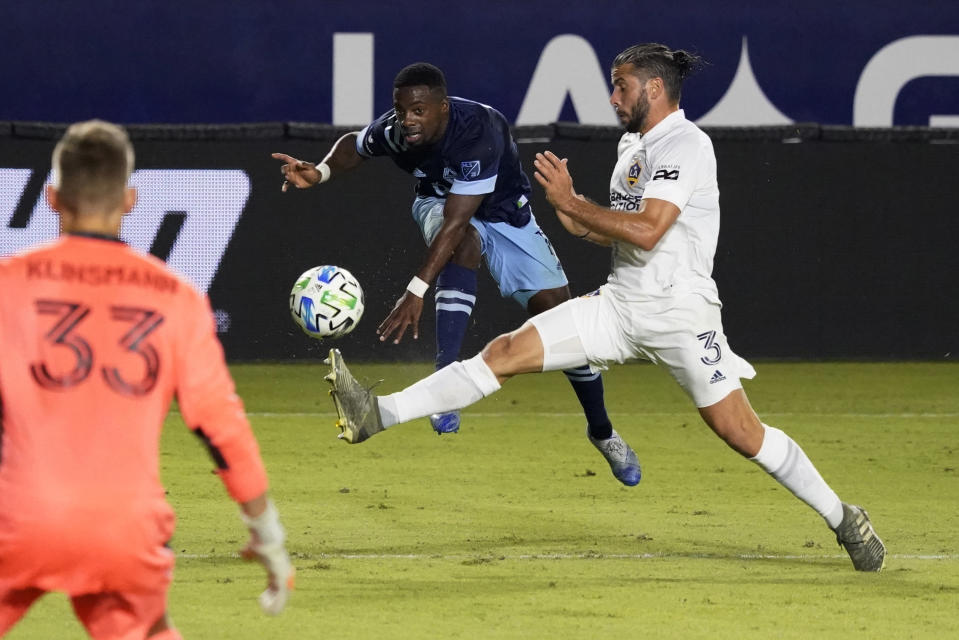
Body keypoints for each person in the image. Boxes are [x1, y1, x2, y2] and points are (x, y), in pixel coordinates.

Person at [323, 44, 886, 572]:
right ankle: (379, 414)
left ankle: (843, 518)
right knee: (505, 352)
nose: (613, 99)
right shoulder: (631, 149)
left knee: (742, 433)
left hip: (680, 316)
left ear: (657, 88)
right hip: (619, 307)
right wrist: (571, 213)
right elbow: (613, 236)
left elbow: (647, 231)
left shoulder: (687, 145)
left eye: (621, 87)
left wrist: (572, 203)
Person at [274, 62, 639, 485]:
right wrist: (319, 171)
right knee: (464, 242)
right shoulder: (397, 131)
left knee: (560, 319)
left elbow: (455, 220)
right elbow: (355, 145)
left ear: (442, 108)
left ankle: (602, 431)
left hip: (508, 218)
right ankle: (445, 384)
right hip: (438, 205)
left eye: (418, 111)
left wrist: (416, 289)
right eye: (400, 110)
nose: (407, 120)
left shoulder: (478, 131)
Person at [0, 121, 294, 639]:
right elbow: (220, 427)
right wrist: (266, 534)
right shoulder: (176, 297)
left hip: (18, 522)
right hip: (125, 527)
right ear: (131, 199)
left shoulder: (8, 285)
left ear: (51, 199)